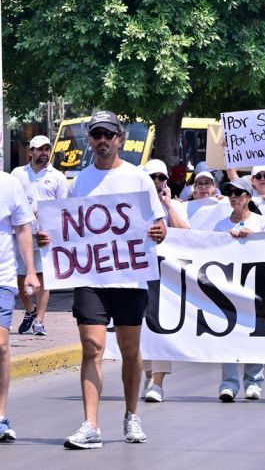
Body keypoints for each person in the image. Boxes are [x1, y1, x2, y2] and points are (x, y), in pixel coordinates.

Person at [37, 110, 167, 449]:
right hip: (91, 277)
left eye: (109, 134)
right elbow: (66, 225)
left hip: (129, 278)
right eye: (97, 135)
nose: (103, 141)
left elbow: (159, 225)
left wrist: (158, 231)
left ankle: (131, 415)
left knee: (129, 349)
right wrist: (48, 238)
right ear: (90, 140)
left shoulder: (138, 178)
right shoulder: (79, 181)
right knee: (92, 346)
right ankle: (90, 425)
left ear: (120, 139)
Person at [214, 178, 265, 402]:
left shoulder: (262, 222)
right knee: (228, 333)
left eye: (239, 193)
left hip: (254, 286)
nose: (234, 197)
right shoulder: (221, 226)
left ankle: (254, 381)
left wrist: (253, 239)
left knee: (255, 332)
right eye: (230, 193)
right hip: (228, 288)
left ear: (248, 197)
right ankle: (228, 383)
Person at [141, 159, 190, 404]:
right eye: (153, 178)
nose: (157, 182)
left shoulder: (176, 206)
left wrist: (168, 206)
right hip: (140, 275)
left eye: (161, 177)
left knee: (160, 327)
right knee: (141, 329)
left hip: (167, 279)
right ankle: (149, 375)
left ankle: (157, 383)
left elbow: (187, 235)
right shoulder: (134, 206)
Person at [12, 134, 68, 337]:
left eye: (47, 149)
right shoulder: (18, 174)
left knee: (44, 278)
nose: (44, 153)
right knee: (20, 277)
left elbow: (63, 208)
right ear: (31, 152)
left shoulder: (58, 177)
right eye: (40, 149)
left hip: (45, 237)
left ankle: (40, 320)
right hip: (20, 233)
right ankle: (29, 310)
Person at [0, 167, 39, 443]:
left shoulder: (8, 184)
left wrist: (31, 270)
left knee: (0, 345)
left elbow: (23, 228)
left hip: (2, 277)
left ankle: (0, 417)